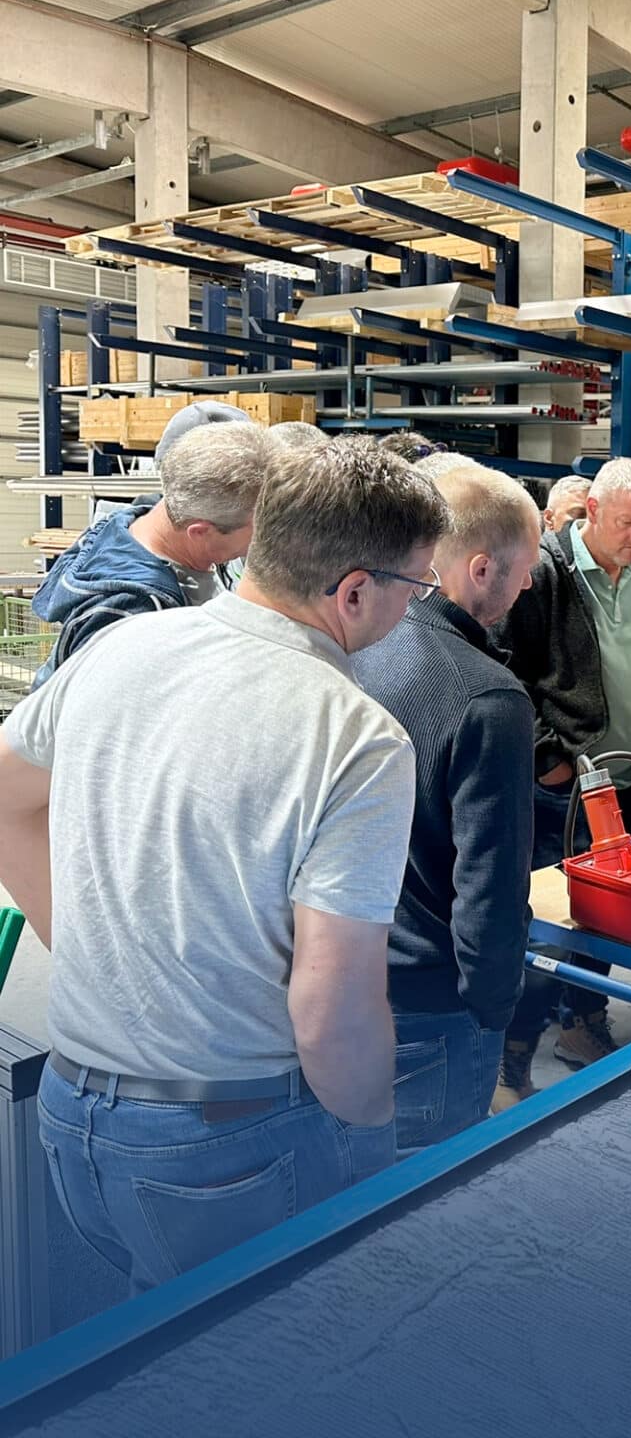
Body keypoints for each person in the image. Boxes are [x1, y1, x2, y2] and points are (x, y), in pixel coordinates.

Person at [0, 439, 451, 1291]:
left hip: (72, 1109)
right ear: (354, 591)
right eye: (415, 587)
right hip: (227, 1139)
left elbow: (6, 799)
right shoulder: (354, 735)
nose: (413, 609)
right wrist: (372, 1145)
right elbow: (335, 1010)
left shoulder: (123, 649)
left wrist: (97, 954)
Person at [352, 458, 541, 1148]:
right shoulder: (488, 698)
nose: (529, 585)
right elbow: (488, 897)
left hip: (332, 985)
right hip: (430, 1015)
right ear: (483, 568)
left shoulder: (350, 646)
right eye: (526, 569)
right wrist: (493, 1015)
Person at [490, 457, 631, 1079]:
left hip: (627, 784)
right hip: (564, 789)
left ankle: (581, 1022)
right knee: (549, 922)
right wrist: (550, 758)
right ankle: (513, 1052)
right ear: (592, 511)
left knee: (606, 917)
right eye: (628, 523)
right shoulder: (542, 573)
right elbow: (507, 671)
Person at [30, 419, 271, 685]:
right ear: (200, 532)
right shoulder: (130, 614)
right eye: (258, 530)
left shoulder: (153, 518)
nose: (261, 540)